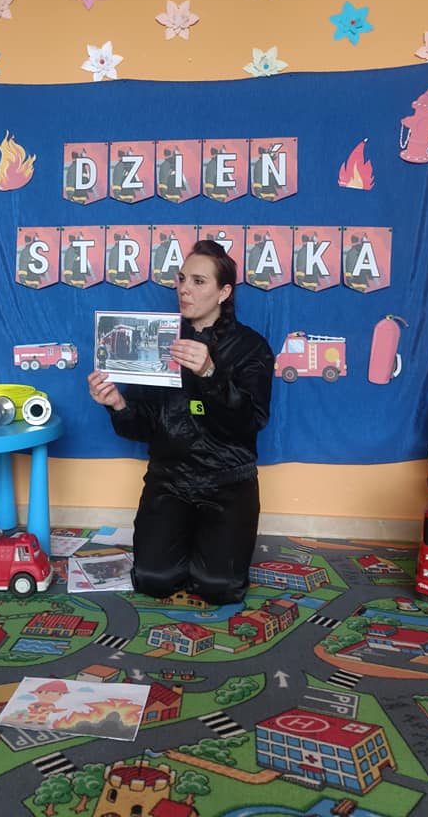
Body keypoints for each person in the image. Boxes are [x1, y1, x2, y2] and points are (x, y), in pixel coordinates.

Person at [87, 239, 274, 605]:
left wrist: (210, 373)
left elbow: (250, 421)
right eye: (182, 279)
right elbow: (142, 427)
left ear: (224, 292)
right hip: (169, 480)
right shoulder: (158, 339)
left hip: (228, 483)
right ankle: (182, 536)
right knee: (152, 579)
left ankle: (208, 544)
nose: (184, 289)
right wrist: (118, 404)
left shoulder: (251, 347)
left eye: (198, 281)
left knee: (220, 587)